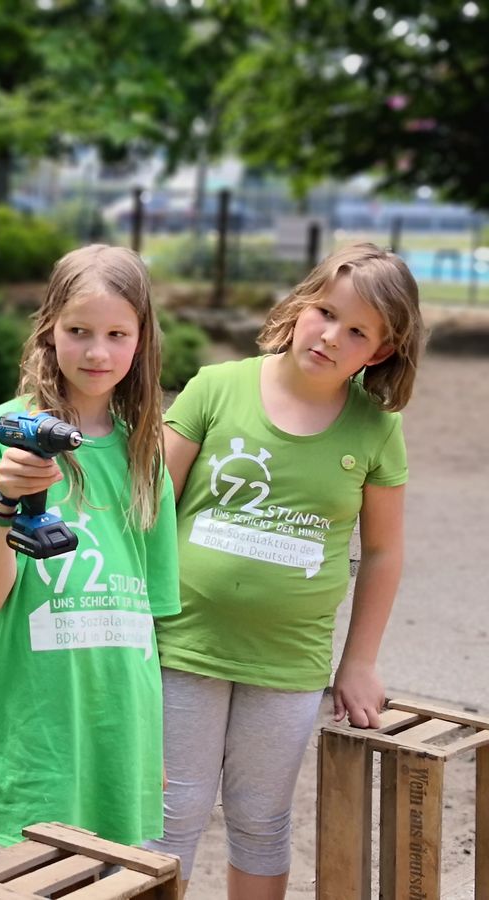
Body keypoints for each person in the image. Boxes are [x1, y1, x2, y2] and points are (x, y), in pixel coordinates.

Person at [148, 243, 425, 899]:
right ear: (301, 305)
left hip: (289, 660)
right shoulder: (217, 387)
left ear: (381, 352)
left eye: (357, 331)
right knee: (167, 819)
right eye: (325, 313)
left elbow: (383, 551)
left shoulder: (376, 429)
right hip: (181, 644)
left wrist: (359, 662)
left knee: (261, 820)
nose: (331, 336)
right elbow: (148, 511)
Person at [0, 244, 180, 848]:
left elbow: (152, 617)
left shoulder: (145, 448)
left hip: (122, 730)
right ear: (49, 328)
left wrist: (154, 741)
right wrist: (2, 501)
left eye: (116, 334)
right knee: (34, 878)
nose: (97, 352)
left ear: (141, 340)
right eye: (78, 331)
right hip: (34, 733)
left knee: (115, 881)